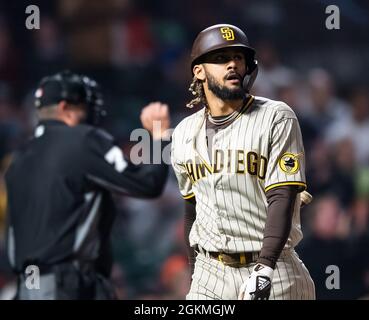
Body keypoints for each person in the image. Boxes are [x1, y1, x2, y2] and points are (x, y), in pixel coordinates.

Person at [171, 24, 315, 300]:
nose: (233, 64)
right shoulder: (183, 132)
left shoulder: (276, 116)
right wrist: (194, 274)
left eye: (238, 57)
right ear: (198, 71)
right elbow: (192, 209)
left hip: (275, 268)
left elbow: (282, 195)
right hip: (209, 272)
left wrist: (265, 268)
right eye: (221, 58)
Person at [4, 70, 171, 299]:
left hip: (26, 287)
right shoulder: (81, 140)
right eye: (85, 107)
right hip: (67, 287)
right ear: (65, 108)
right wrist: (160, 135)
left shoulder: (18, 159)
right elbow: (148, 183)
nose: (91, 115)